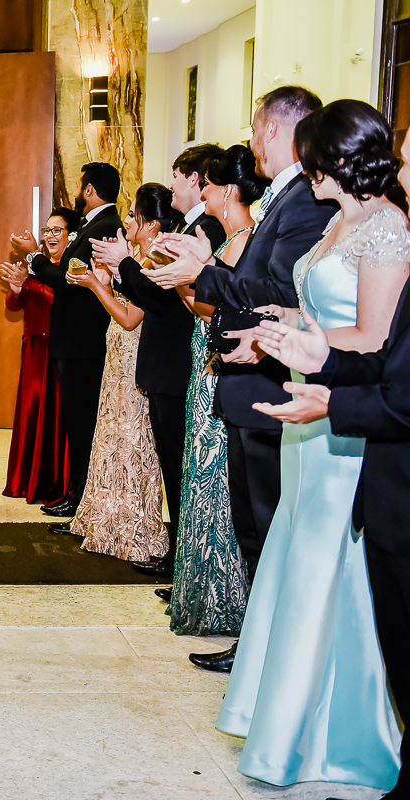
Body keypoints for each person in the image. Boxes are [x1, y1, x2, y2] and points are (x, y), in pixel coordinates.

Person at [211, 99, 408, 792]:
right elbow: (324, 311)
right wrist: (275, 329)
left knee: (332, 563)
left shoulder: (386, 230)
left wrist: (307, 346)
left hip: (342, 417)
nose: (305, 167)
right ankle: (284, 718)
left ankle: (332, 732)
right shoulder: (335, 224)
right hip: (308, 407)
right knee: (297, 549)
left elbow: (379, 343)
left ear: (335, 159)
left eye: (313, 154)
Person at [144, 86, 338, 672]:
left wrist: (204, 273)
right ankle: (257, 647)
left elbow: (282, 294)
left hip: (270, 382)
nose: (252, 142)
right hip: (250, 378)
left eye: (256, 130)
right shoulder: (288, 199)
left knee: (265, 520)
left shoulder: (303, 200)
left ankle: (267, 654)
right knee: (253, 523)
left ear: (275, 130)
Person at [96, 144, 227, 577]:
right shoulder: (191, 227)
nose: (172, 183)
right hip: (166, 363)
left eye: (177, 175)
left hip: (176, 362)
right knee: (174, 464)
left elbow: (158, 298)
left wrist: (121, 267)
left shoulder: (206, 228)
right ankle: (178, 556)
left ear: (195, 180)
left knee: (177, 464)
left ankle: (182, 560)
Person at [160, 144, 266, 636]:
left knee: (217, 485)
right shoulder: (228, 241)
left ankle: (225, 597)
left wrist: (192, 280)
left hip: (222, 369)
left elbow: (221, 307)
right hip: (205, 368)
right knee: (200, 481)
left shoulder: (243, 239)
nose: (201, 192)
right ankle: (202, 590)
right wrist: (186, 279)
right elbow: (205, 304)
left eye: (206, 185)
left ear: (225, 191)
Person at [56, 184, 170, 562]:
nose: (127, 221)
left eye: (134, 216)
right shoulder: (138, 258)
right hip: (117, 355)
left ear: (151, 225)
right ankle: (105, 519)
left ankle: (133, 527)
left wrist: (94, 286)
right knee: (111, 436)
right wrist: (104, 283)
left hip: (134, 356)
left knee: (131, 441)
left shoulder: (153, 261)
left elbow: (129, 317)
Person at [11, 162, 123, 519]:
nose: (76, 194)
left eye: (78, 187)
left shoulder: (100, 229)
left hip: (82, 344)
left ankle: (79, 498)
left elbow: (64, 281)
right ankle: (76, 494)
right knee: (79, 424)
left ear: (89, 190)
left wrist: (33, 255)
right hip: (79, 342)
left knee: (82, 425)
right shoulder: (98, 227)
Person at [0, 209, 77, 504]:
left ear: (71, 236)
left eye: (58, 230)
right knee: (31, 414)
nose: (50, 236)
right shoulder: (35, 264)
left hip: (57, 348)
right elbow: (13, 304)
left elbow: (61, 299)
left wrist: (28, 283)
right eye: (47, 231)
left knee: (54, 418)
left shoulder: (67, 266)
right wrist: (18, 287)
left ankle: (53, 483)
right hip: (33, 348)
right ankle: (25, 479)